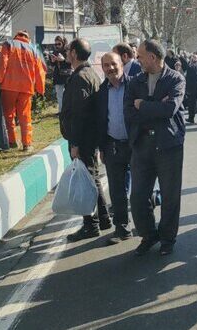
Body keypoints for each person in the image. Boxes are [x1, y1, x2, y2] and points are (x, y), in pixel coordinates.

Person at [124, 39, 186, 256]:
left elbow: (170, 109)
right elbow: (129, 112)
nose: (137, 59)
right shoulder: (135, 82)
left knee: (170, 196)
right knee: (138, 196)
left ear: (152, 57)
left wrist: (144, 105)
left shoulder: (175, 79)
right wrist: (154, 106)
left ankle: (168, 238)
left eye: (140, 56)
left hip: (169, 145)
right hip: (142, 145)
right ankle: (149, 235)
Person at [60, 38, 111, 241]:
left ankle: (91, 225)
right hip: (89, 138)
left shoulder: (81, 76)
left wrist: (75, 144)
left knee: (85, 181)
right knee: (92, 178)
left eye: (68, 50)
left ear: (73, 53)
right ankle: (104, 218)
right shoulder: (89, 73)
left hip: (83, 139)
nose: (66, 53)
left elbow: (80, 115)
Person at [97, 52, 133, 245]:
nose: (110, 68)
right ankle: (122, 228)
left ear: (122, 63)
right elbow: (101, 121)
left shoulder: (136, 85)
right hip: (113, 146)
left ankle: (148, 229)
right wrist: (102, 147)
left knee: (142, 190)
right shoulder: (102, 91)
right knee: (117, 190)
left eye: (113, 64)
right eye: (105, 65)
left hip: (136, 144)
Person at [0, 30, 46, 151]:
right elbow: (40, 71)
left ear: (17, 36)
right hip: (26, 87)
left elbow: (3, 63)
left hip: (9, 85)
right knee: (25, 115)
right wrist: (41, 89)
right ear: (27, 38)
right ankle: (27, 144)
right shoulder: (33, 49)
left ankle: (12, 141)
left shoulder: (8, 44)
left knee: (9, 115)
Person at [49, 36, 71, 113]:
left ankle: (68, 110)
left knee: (68, 94)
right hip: (58, 76)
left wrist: (63, 60)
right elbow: (52, 65)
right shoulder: (55, 52)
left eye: (59, 44)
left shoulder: (68, 51)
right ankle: (61, 111)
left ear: (63, 43)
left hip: (67, 75)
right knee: (59, 95)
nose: (57, 46)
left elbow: (71, 63)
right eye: (55, 44)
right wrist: (53, 60)